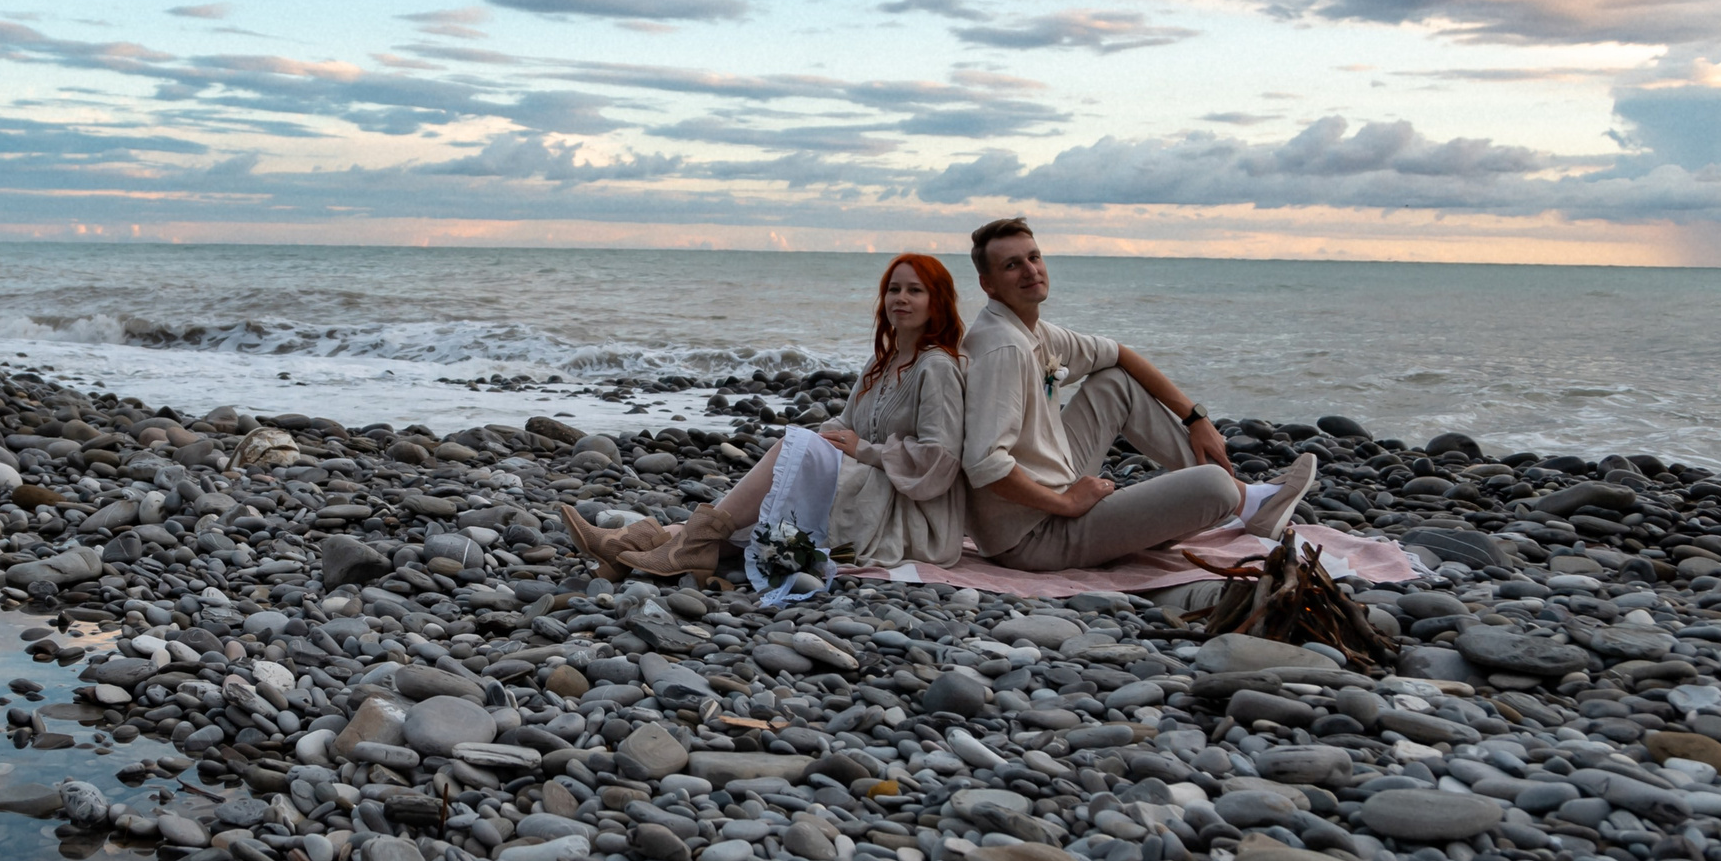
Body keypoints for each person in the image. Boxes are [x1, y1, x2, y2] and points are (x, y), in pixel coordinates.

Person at [562, 253, 968, 582]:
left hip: (912, 516)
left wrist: (866, 452)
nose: (901, 298)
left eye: (915, 290)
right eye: (894, 289)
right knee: (773, 494)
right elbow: (845, 424)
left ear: (938, 301)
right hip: (868, 485)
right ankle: (629, 547)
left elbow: (941, 458)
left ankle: (657, 544)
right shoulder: (881, 363)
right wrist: (820, 446)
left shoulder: (938, 368)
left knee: (785, 461)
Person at [960, 216, 1316, 572]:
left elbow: (1119, 354)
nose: (1029, 270)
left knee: (1114, 382)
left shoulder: (1030, 330)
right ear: (988, 285)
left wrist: (1195, 418)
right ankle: (1241, 500)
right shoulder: (1003, 349)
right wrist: (1068, 503)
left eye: (1033, 257)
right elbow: (985, 466)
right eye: (1012, 265)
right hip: (1032, 536)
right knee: (1214, 487)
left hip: (1052, 484)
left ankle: (1247, 501)